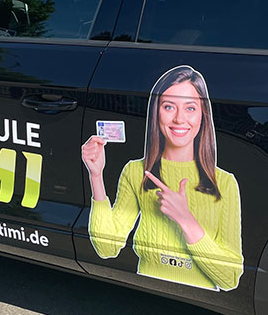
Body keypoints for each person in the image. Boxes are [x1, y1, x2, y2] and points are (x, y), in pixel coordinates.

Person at [81, 65, 243, 291]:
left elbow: (230, 278)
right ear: (156, 112)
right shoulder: (135, 171)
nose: (179, 119)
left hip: (200, 304)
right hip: (146, 295)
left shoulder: (225, 182)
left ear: (203, 115)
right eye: (168, 106)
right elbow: (106, 248)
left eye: (190, 108)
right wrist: (96, 175)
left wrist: (185, 220)